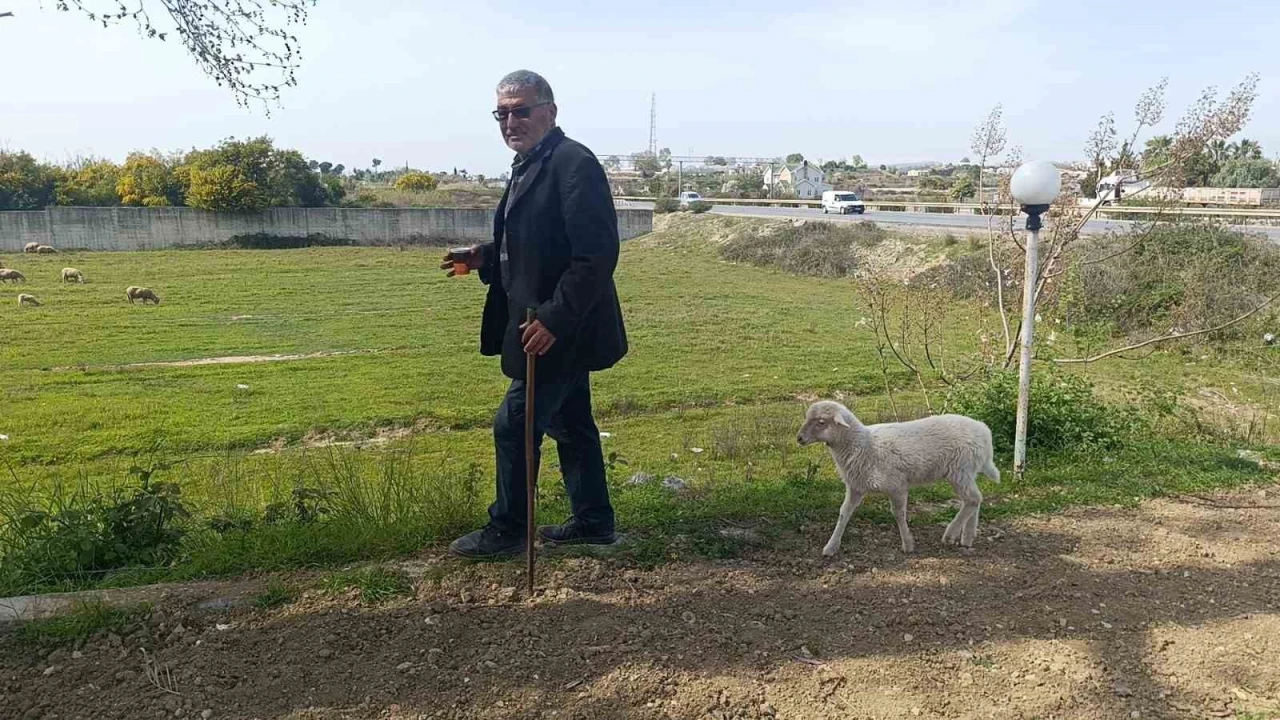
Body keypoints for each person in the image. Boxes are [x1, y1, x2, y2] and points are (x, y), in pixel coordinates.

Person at [441, 70, 628, 558]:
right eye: (502, 113)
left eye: (521, 111)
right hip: (542, 324)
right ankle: (594, 522)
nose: (511, 122)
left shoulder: (573, 163)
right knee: (572, 424)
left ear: (550, 111)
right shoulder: (530, 163)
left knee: (514, 425)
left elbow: (595, 255)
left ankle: (508, 529)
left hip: (557, 328)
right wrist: (484, 256)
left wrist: (554, 320)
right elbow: (539, 242)